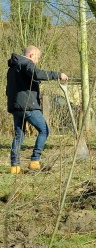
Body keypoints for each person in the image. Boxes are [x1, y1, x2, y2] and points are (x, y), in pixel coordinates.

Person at [6, 45, 68, 173]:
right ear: (31, 55)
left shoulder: (13, 68)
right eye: (37, 58)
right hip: (28, 106)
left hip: (15, 106)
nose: (37, 61)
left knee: (19, 135)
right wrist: (58, 75)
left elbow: (13, 86)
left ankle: (15, 166)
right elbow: (37, 74)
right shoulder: (27, 63)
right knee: (44, 130)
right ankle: (35, 160)